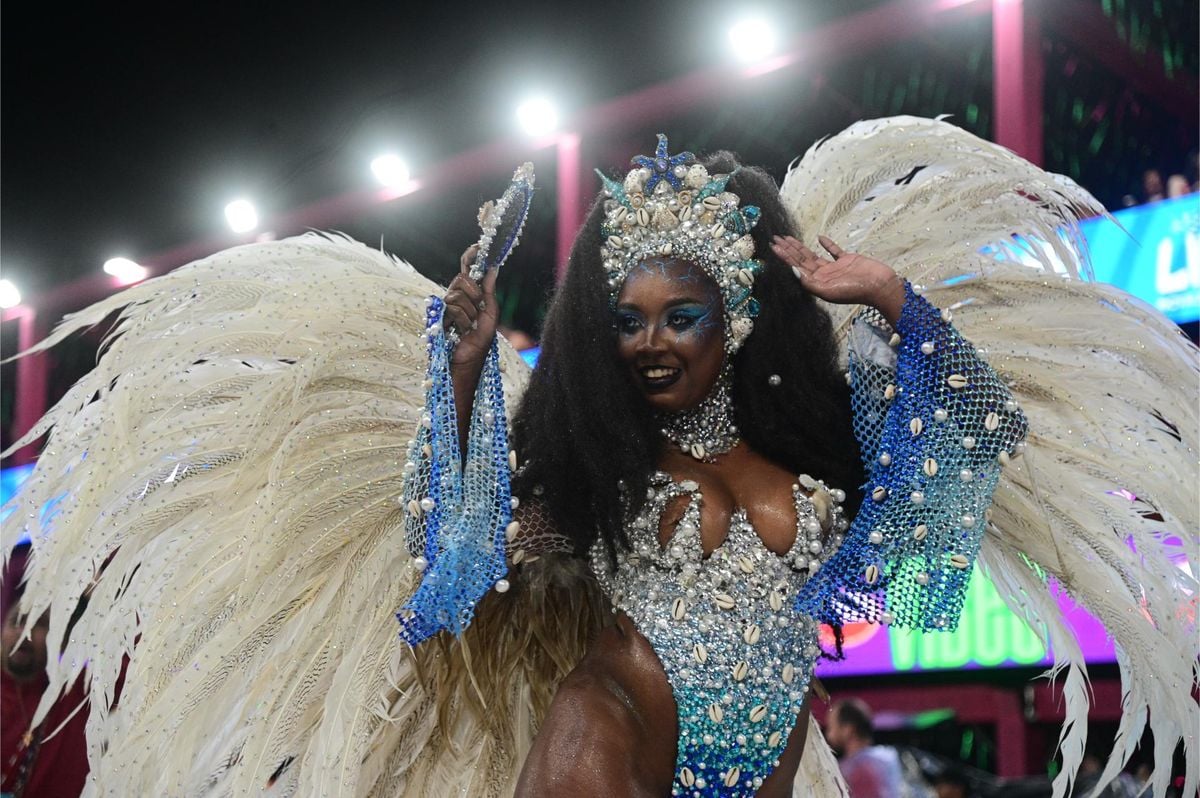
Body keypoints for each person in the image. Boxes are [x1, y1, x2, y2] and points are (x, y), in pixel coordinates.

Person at [2, 118, 1196, 797]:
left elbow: (959, 476)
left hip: (763, 769)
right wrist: (462, 375)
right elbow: (453, 573)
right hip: (607, 735)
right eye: (624, 321)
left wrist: (890, 296)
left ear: (736, 320)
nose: (650, 344)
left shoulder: (822, 464)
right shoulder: (594, 473)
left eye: (679, 318)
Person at [1, 548, 90, 798]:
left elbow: (144, 666)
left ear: (58, 640)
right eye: (17, 620)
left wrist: (103, 593)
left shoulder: (74, 696)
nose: (24, 633)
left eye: (39, 624)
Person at [823, 699, 904, 798]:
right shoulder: (885, 757)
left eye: (831, 727)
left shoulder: (861, 768)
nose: (828, 735)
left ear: (848, 729)